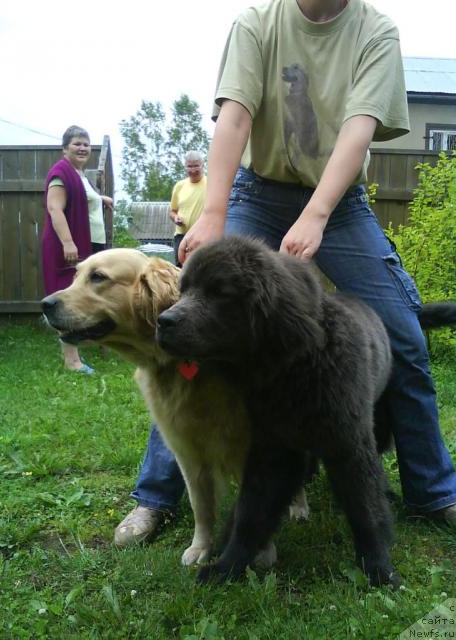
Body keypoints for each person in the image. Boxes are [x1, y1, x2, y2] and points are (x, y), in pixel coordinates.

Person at [114, 0, 456, 547]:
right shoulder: (258, 22)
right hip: (257, 192)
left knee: (405, 332)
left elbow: (359, 127)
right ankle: (155, 498)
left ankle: (434, 491)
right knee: (189, 333)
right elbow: (236, 115)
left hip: (341, 205)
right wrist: (217, 213)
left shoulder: (376, 31)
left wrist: (317, 213)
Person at [41, 125, 113, 374]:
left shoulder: (79, 175)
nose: (83, 148)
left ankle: (85, 347)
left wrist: (101, 199)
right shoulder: (61, 173)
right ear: (64, 149)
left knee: (86, 295)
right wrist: (68, 242)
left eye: (86, 144)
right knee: (66, 299)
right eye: (77, 144)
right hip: (68, 246)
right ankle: (72, 361)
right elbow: (55, 208)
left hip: (87, 244)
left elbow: (83, 199)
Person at [168, 151, 206, 267]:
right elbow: (172, 211)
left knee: (201, 269)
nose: (193, 170)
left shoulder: (211, 184)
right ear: (185, 166)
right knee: (180, 270)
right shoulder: (179, 186)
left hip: (202, 235)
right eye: (189, 166)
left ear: (202, 165)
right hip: (181, 235)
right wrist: (176, 218)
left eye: (196, 166)